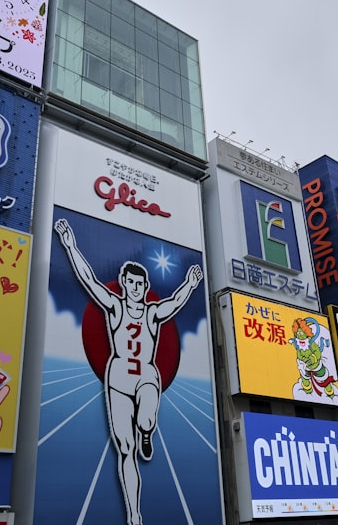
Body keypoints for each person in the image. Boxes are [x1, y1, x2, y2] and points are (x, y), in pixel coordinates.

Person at [55, 218, 204, 525]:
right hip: (119, 377)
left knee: (146, 419)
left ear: (145, 287)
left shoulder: (152, 312)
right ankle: (134, 513)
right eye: (131, 283)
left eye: (140, 284)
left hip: (147, 376)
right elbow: (89, 280)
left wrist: (189, 283)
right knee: (125, 448)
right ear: (124, 284)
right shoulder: (115, 306)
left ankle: (147, 431)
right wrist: (70, 246)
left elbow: (174, 303)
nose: (135, 288)